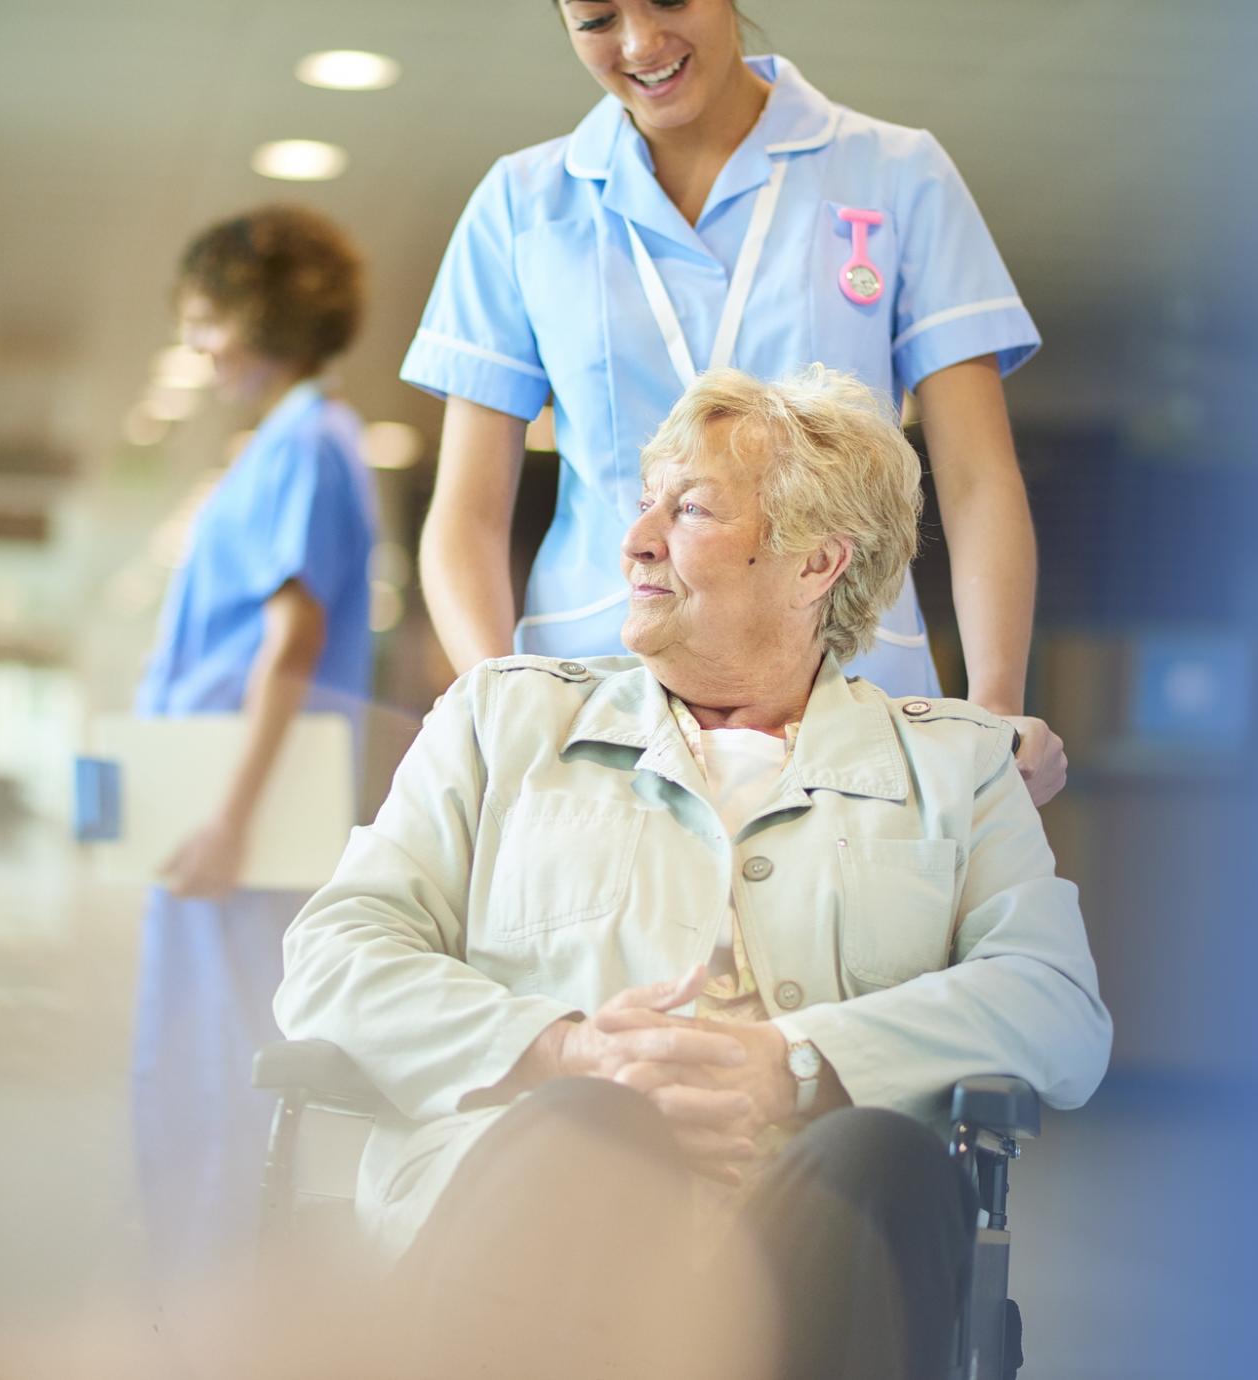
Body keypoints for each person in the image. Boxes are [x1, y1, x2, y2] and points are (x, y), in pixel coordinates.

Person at [275, 367, 1111, 1379]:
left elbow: (1057, 1003)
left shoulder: (954, 766)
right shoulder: (501, 721)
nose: (633, 542)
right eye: (643, 506)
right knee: (593, 1127)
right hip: (527, 1217)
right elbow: (329, 958)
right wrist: (562, 1050)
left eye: (691, 510)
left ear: (815, 564)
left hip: (800, 1234)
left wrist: (795, 1064)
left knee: (884, 1157)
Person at [406, 0, 1068, 804]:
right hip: (591, 699)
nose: (642, 42)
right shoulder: (522, 205)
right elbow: (468, 511)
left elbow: (976, 478)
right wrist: (493, 697)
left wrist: (995, 702)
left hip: (849, 685)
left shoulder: (896, 174)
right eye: (596, 19)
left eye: (670, 0)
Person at [131, 205, 378, 1282]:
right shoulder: (284, 444)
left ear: (256, 314)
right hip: (220, 804)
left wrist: (228, 816)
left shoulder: (311, 444)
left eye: (203, 319)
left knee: (221, 1067)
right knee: (196, 1063)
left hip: (243, 817)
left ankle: (215, 1313)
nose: (194, 344)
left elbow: (292, 640)